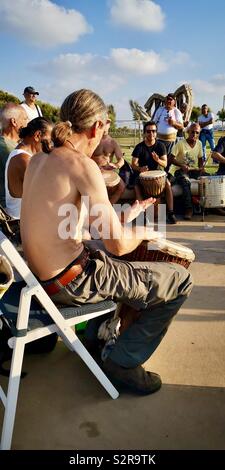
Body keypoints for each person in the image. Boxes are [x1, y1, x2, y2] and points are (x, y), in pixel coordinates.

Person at [20, 89, 193, 395]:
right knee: (178, 279)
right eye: (107, 128)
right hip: (71, 284)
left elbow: (67, 223)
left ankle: (98, 340)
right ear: (98, 126)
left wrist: (125, 219)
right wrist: (144, 231)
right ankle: (122, 362)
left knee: (118, 261)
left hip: (42, 281)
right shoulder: (81, 165)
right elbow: (118, 246)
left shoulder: (38, 160)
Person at [5, 117, 52, 219]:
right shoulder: (23, 159)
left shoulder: (22, 155)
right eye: (49, 141)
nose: (50, 146)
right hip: (17, 225)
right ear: (37, 135)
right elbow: (49, 193)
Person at [131, 120, 177, 224]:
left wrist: (157, 160)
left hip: (158, 175)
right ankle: (141, 214)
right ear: (144, 133)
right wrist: (140, 169)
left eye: (153, 131)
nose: (151, 133)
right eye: (148, 131)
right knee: (136, 186)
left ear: (156, 133)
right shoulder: (139, 147)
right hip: (142, 175)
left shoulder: (160, 146)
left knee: (168, 184)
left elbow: (165, 164)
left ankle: (170, 213)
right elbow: (133, 164)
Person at [170, 123, 204, 220]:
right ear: (188, 132)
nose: (194, 134)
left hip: (194, 170)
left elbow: (200, 159)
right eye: (192, 132)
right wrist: (182, 165)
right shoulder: (180, 143)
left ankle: (213, 207)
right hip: (180, 170)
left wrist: (202, 168)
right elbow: (170, 159)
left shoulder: (200, 143)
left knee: (208, 178)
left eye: (197, 132)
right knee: (185, 181)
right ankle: (188, 209)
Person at [0, 103, 28, 207]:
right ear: (14, 122)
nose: (27, 123)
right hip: (9, 211)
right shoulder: (11, 150)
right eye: (25, 119)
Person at [92, 119, 125, 204]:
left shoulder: (113, 142)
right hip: (93, 171)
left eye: (107, 123)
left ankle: (108, 207)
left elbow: (121, 160)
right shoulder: (92, 140)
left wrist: (116, 165)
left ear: (109, 124)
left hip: (109, 172)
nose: (105, 125)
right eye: (103, 123)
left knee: (122, 186)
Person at [153, 93, 184, 158]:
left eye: (170, 99)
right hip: (159, 140)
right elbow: (153, 123)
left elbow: (181, 126)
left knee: (169, 159)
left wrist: (174, 123)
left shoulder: (176, 111)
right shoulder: (160, 110)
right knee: (159, 158)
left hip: (171, 142)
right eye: (167, 99)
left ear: (174, 102)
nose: (168, 101)